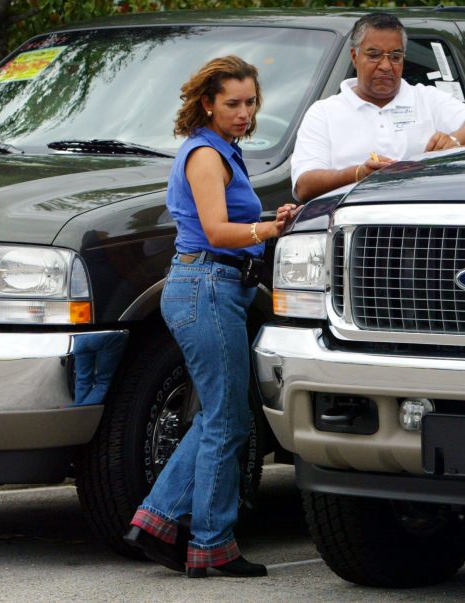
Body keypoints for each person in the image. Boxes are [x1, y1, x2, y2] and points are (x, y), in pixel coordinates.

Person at [123, 55, 296, 579]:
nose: (244, 113)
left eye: (250, 103)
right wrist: (268, 232)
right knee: (228, 419)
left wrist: (269, 221)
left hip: (216, 287)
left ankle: (157, 521)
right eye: (233, 104)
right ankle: (210, 542)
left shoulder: (226, 152)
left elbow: (226, 226)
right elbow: (218, 233)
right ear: (207, 104)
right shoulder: (204, 155)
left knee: (224, 416)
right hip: (206, 287)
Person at [291, 11, 465, 202]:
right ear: (354, 56)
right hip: (354, 227)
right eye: (374, 55)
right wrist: (358, 174)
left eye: (395, 57)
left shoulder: (425, 98)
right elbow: (304, 185)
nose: (385, 66)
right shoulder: (324, 112)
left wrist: (454, 141)